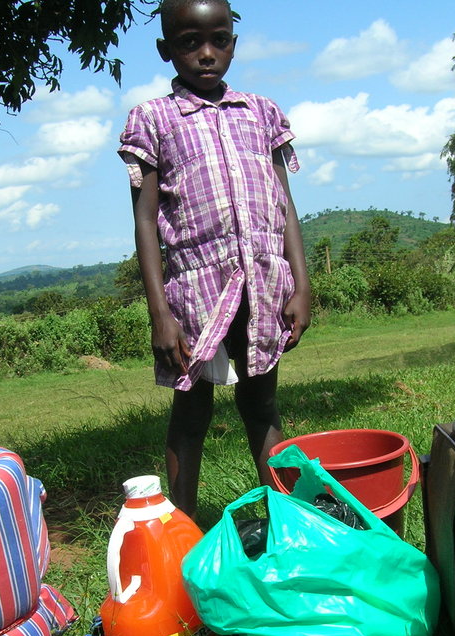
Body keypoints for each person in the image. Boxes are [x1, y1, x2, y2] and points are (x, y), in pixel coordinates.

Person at [119, 0, 311, 517]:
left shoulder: (261, 113)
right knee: (191, 412)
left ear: (233, 43)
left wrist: (302, 285)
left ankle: (288, 521)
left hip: (264, 284)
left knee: (262, 404)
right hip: (196, 293)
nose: (206, 53)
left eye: (218, 40)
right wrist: (160, 314)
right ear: (165, 49)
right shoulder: (153, 119)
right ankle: (183, 529)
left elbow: (285, 204)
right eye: (189, 43)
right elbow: (145, 221)